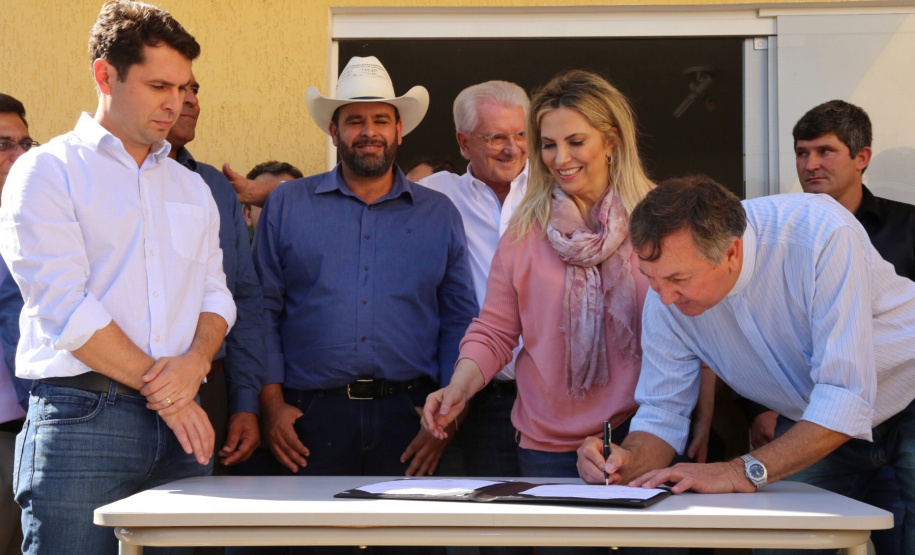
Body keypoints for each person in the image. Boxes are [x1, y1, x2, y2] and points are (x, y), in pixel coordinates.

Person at [423, 70, 696, 555]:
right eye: (548, 144)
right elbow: (494, 330)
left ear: (610, 140)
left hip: (645, 435)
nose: (560, 159)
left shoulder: (660, 219)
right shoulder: (526, 229)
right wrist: (458, 388)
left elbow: (698, 322)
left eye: (575, 141)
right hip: (546, 449)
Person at [0, 2, 236, 553]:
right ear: (105, 74)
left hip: (184, 425)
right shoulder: (46, 171)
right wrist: (173, 395)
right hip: (83, 420)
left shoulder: (191, 187)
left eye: (183, 86)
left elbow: (216, 294)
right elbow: (64, 307)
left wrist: (198, 361)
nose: (175, 102)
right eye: (158, 85)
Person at [577, 175, 915, 555]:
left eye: (677, 279)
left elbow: (844, 395)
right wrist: (625, 461)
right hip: (812, 421)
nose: (665, 298)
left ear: (731, 252)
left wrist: (737, 470)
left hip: (908, 390)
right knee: (779, 546)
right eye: (651, 279)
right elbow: (661, 412)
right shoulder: (665, 298)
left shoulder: (820, 233)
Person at [251, 55, 476, 552]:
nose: (368, 132)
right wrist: (270, 405)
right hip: (309, 421)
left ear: (399, 130)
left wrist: (447, 418)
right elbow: (261, 309)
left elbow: (459, 318)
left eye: (379, 120)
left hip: (412, 419)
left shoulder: (439, 214)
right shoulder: (288, 205)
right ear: (334, 131)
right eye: (355, 121)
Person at [735, 99, 910, 554]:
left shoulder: (909, 227)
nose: (809, 164)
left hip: (907, 412)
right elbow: (755, 326)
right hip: (815, 418)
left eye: (824, 151)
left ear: (862, 158)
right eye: (801, 152)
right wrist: (760, 408)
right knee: (783, 538)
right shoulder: (775, 237)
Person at [419, 79, 530, 555]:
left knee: (562, 532)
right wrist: (273, 193)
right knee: (490, 537)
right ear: (464, 142)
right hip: (480, 404)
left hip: (558, 404)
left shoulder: (561, 190)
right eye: (495, 137)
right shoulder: (435, 195)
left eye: (521, 135)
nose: (512, 148)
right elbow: (367, 198)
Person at [166, 71, 266, 469]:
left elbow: (242, 296)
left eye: (194, 89)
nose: (190, 100)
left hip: (211, 388)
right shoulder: (90, 177)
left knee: (192, 529)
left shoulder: (212, 186)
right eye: (173, 88)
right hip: (117, 391)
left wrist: (245, 404)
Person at [0, 92, 36, 555]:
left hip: (27, 430)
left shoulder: (32, 221)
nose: (20, 155)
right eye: (4, 143)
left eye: (25, 142)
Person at [243, 161, 304, 238]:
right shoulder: (231, 250)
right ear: (248, 215)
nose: (277, 209)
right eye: (265, 201)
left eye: (287, 201)